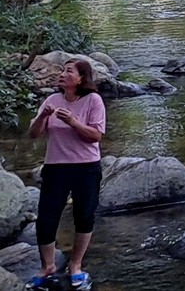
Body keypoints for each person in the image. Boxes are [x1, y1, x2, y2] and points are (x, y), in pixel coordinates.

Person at [28, 59, 107, 289]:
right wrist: (43, 116)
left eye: (68, 71)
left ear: (81, 78)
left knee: (84, 216)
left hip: (86, 167)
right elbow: (33, 135)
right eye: (62, 70)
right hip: (56, 167)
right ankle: (48, 266)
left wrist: (73, 121)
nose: (62, 74)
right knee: (46, 218)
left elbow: (95, 136)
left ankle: (76, 265)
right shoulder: (52, 100)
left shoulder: (93, 100)